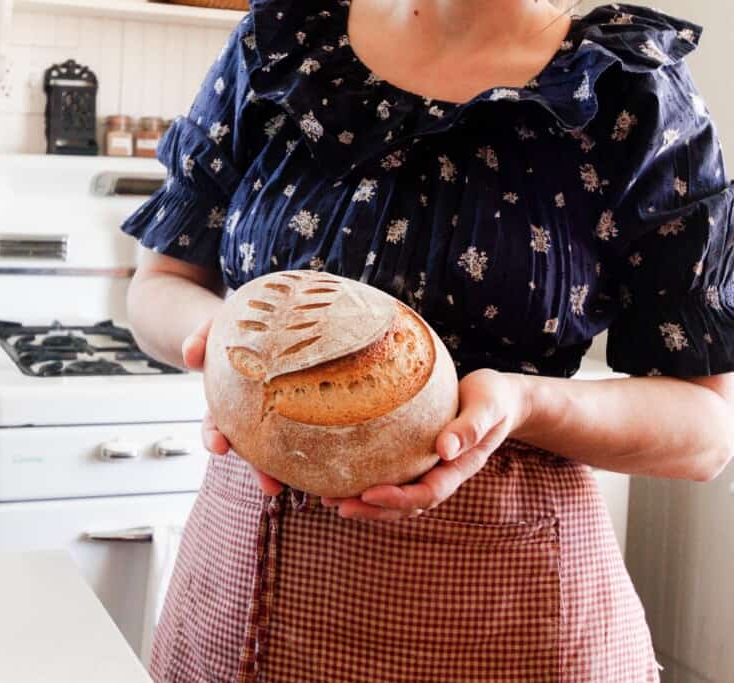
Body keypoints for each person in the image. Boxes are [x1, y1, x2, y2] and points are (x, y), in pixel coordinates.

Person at [121, 1, 734, 680]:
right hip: (245, 596)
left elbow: (705, 430)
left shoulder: (627, 91)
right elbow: (160, 285)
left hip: (508, 614)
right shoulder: (283, 45)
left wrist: (523, 403)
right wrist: (227, 350)